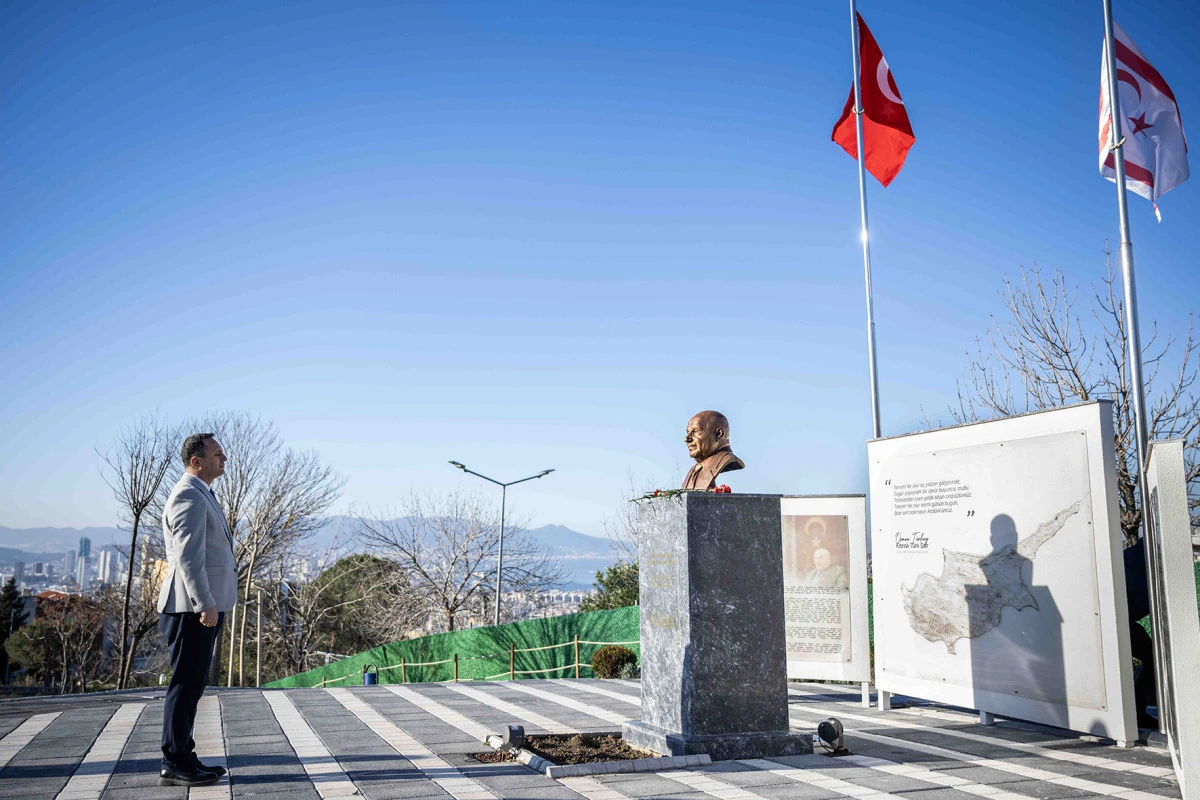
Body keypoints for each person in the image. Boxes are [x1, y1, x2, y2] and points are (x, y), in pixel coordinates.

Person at [156, 433, 237, 787]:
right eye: (217, 454)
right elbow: (189, 559)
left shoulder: (202, 492)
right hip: (191, 607)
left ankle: (184, 757)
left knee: (192, 684)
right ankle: (175, 762)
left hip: (198, 606)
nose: (224, 459)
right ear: (196, 461)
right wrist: (205, 604)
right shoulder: (188, 495)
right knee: (185, 684)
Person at [681, 410, 745, 490]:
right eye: (688, 432)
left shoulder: (725, 460)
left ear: (718, 434)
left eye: (695, 431)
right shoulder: (693, 471)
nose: (686, 439)